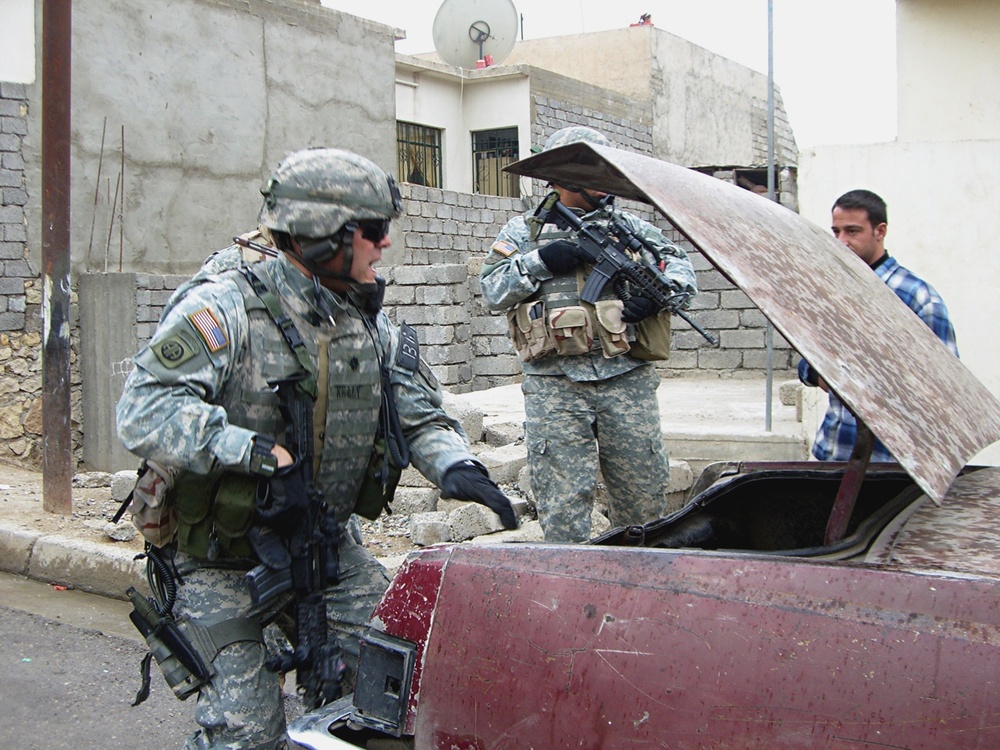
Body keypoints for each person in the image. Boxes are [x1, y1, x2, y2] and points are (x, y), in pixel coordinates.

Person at [116, 147, 516, 749]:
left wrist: (455, 465)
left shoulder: (368, 322)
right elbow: (143, 411)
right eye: (374, 232)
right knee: (248, 736)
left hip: (323, 544)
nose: (384, 246)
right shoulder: (224, 308)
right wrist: (254, 453)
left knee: (403, 685)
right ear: (322, 238)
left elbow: (418, 415)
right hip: (218, 560)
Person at [479, 126, 697, 543]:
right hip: (555, 387)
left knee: (644, 500)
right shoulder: (524, 232)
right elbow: (491, 289)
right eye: (592, 170)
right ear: (564, 177)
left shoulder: (630, 228)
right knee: (562, 505)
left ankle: (640, 587)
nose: (603, 179)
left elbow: (679, 267)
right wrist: (540, 261)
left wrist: (657, 298)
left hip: (627, 380)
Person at [798, 188, 959, 462]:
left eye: (852, 231)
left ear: (879, 231)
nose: (842, 242)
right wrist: (820, 374)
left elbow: (945, 388)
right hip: (832, 452)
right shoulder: (832, 291)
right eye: (836, 232)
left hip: (887, 463)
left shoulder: (916, 297)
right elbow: (805, 361)